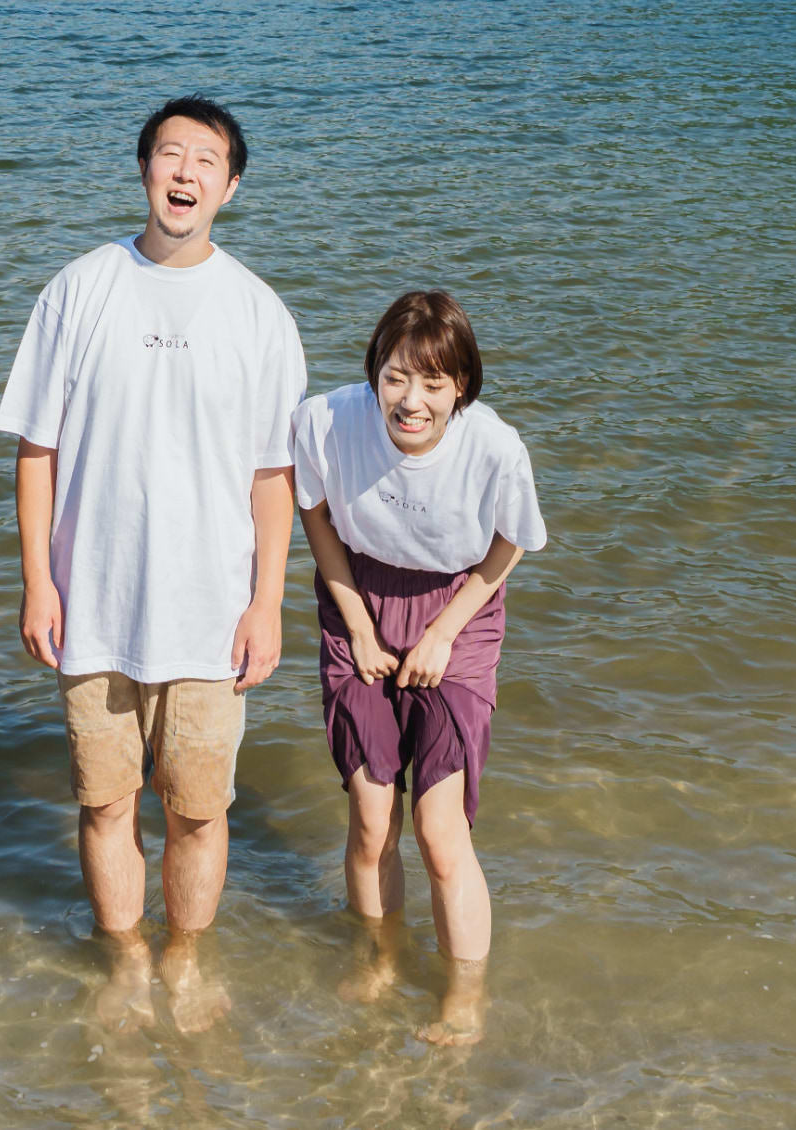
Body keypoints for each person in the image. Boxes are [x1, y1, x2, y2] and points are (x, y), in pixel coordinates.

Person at [0, 95, 305, 1027]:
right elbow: (37, 449)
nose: (185, 173)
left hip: (211, 612)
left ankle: (185, 959)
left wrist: (267, 604)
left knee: (200, 811)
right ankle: (126, 959)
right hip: (93, 604)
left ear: (231, 187)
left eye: (206, 161)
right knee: (104, 803)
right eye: (170, 155)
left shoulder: (258, 312)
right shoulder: (81, 289)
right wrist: (38, 581)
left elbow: (274, 476)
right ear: (143, 170)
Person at [293, 287, 546, 1047]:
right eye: (396, 377)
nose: (411, 401)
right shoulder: (327, 421)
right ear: (374, 373)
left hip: (457, 609)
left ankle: (464, 999)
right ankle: (382, 960)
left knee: (439, 828)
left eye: (433, 383)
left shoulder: (494, 447)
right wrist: (359, 625)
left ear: (460, 385)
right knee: (372, 817)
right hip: (358, 595)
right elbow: (314, 513)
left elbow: (511, 542)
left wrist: (440, 634)